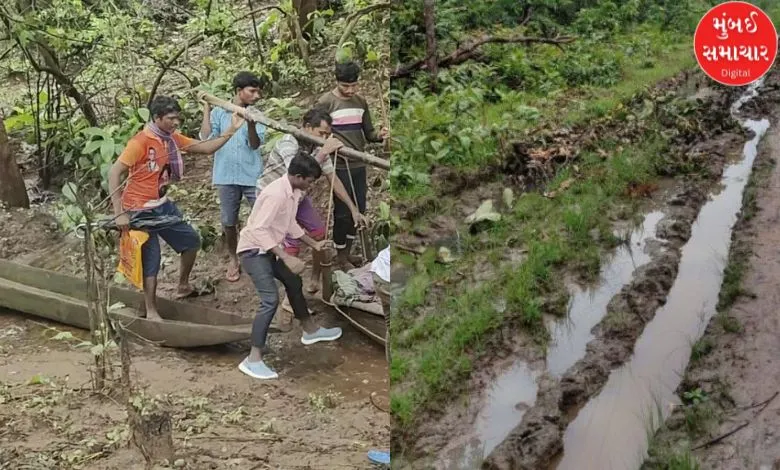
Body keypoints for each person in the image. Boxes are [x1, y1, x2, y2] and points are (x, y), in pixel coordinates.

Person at [108, 95, 246, 321]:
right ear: (157, 118)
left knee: (191, 241)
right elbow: (114, 173)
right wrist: (119, 212)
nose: (176, 123)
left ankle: (183, 285)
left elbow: (206, 148)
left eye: (177, 118)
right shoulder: (140, 142)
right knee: (151, 258)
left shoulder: (171, 139)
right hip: (139, 209)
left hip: (163, 206)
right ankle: (151, 311)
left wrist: (231, 129)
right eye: (171, 119)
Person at [237, 151, 343, 380]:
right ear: (297, 175)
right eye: (309, 180)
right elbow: (258, 230)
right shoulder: (276, 194)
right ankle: (252, 359)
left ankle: (310, 330)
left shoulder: (293, 192)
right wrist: (285, 256)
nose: (311, 185)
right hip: (254, 251)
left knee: (294, 281)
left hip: (268, 249)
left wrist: (314, 244)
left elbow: (290, 223)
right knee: (270, 300)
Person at [257, 107, 368, 294]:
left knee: (319, 234)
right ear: (307, 127)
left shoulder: (317, 147)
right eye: (321, 133)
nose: (324, 138)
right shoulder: (288, 142)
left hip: (298, 197)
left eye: (327, 134)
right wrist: (324, 152)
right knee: (290, 242)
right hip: (276, 198)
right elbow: (296, 172)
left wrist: (353, 209)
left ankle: (315, 277)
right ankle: (290, 293)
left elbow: (334, 179)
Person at [316, 61, 388, 269]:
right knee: (343, 212)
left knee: (359, 209)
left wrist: (380, 135)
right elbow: (317, 132)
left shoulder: (360, 102)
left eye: (354, 86)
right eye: (345, 86)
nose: (350, 90)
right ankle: (340, 256)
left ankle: (346, 252)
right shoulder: (326, 102)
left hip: (359, 163)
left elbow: (369, 133)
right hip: (338, 165)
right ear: (336, 82)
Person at [200, 71, 266, 282]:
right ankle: (233, 258)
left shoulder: (257, 114)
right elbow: (205, 138)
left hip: (251, 174)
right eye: (252, 91)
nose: (256, 95)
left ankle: (261, 255)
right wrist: (207, 108)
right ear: (239, 91)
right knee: (229, 220)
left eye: (258, 91)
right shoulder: (220, 112)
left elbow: (255, 144)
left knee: (262, 215)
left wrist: (251, 124)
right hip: (226, 174)